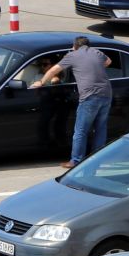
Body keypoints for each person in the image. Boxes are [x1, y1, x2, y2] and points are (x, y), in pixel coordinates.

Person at [30, 36, 112, 169]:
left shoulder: (73, 55)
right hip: (106, 94)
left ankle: (75, 161)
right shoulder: (97, 52)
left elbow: (53, 70)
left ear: (75, 46)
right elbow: (108, 62)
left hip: (90, 96)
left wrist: (41, 82)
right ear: (88, 45)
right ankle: (97, 159)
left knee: (80, 130)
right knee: (100, 128)